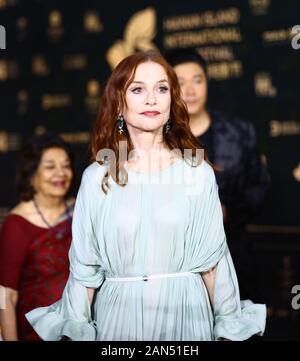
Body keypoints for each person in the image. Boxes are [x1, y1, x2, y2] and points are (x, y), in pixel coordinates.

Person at [25, 51, 266, 341]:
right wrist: (75, 328)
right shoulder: (97, 178)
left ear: (171, 100)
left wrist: (229, 329)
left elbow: (215, 267)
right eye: (138, 89)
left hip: (186, 321)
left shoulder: (197, 173)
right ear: (118, 103)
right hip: (119, 322)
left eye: (161, 88)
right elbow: (84, 271)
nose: (152, 98)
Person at [164, 48, 269, 302]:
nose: (190, 90)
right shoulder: (157, 139)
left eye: (197, 80)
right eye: (180, 82)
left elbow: (257, 187)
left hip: (233, 252)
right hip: (174, 264)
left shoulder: (239, 132)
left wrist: (226, 211)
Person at [0, 132, 75, 340]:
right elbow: (5, 294)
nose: (61, 173)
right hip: (37, 333)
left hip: (83, 328)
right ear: (32, 174)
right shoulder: (17, 223)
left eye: (66, 166)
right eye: (50, 167)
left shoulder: (82, 209)